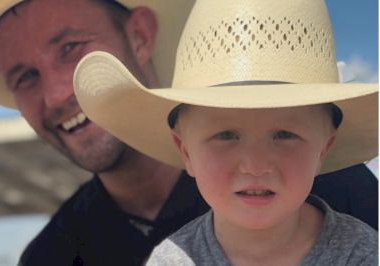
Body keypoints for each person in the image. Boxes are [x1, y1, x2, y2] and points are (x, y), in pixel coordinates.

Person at [0, 0, 377, 265]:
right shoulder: (51, 258)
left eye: (71, 48)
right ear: (184, 149)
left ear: (141, 36)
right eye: (24, 77)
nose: (53, 95)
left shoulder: (342, 192)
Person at [72, 0, 378, 265]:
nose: (255, 165)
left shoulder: (364, 255)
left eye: (284, 134)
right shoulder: (171, 262)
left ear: (324, 149)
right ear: (185, 150)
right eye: (226, 136)